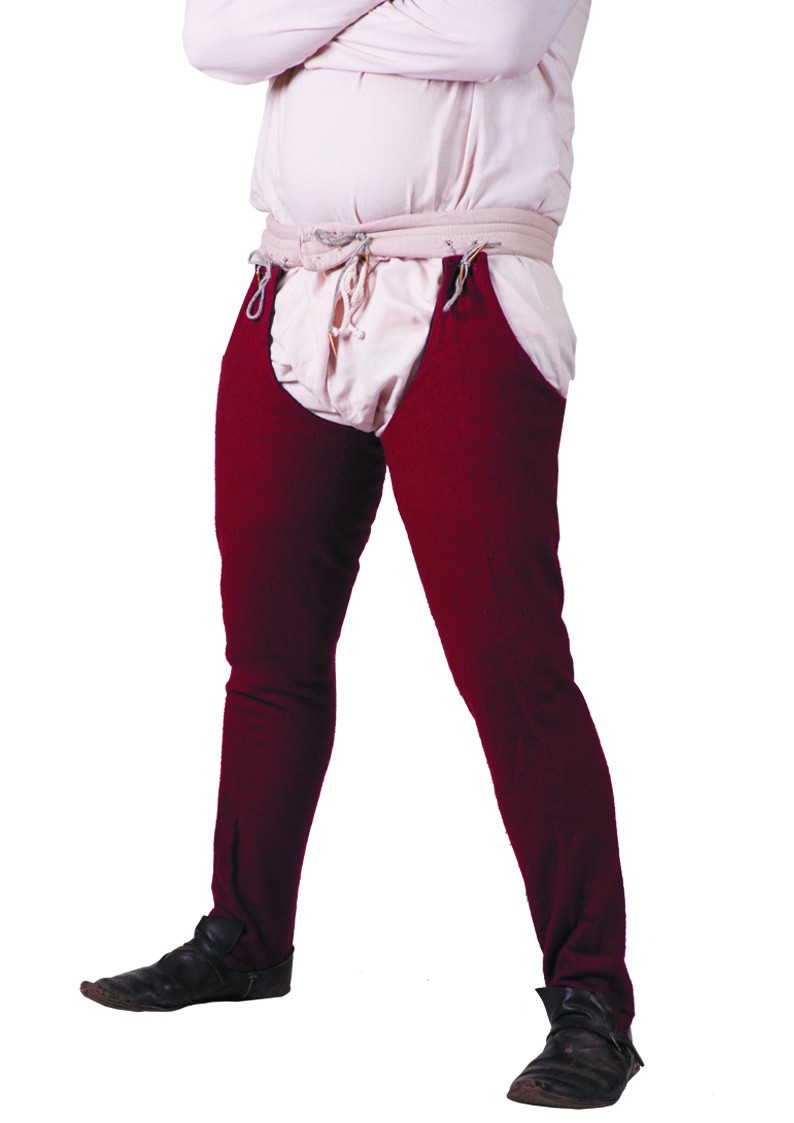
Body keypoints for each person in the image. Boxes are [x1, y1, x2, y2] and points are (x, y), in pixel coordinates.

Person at [80, 0, 643, 1109]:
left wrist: (308, 31)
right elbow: (213, 42)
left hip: (469, 288)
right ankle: (245, 935)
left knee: (513, 670)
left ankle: (592, 999)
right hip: (290, 287)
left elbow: (489, 37)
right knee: (267, 658)